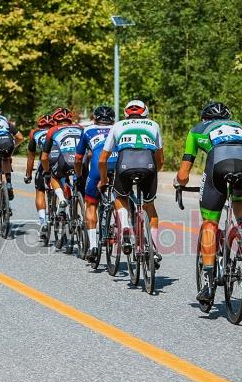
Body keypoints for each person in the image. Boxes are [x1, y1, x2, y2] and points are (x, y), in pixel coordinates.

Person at [175, 102, 242, 303]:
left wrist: (179, 182)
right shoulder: (239, 127)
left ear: (205, 119)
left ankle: (208, 283)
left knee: (210, 223)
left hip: (218, 165)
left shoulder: (196, 131)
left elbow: (184, 173)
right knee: (238, 199)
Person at [98, 100, 163, 267]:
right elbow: (160, 158)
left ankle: (125, 225)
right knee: (150, 208)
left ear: (126, 114)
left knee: (120, 197)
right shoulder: (153, 125)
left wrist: (104, 180)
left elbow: (103, 159)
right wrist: (154, 172)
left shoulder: (118, 125)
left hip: (125, 164)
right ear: (145, 113)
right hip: (148, 164)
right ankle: (154, 250)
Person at [75, 105, 117, 262]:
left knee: (91, 204)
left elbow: (79, 158)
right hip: (119, 164)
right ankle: (118, 224)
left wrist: (79, 175)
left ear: (94, 118)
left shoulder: (88, 130)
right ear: (113, 119)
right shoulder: (118, 127)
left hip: (99, 167)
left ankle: (93, 246)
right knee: (121, 200)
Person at [41, 107, 83, 213]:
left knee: (53, 176)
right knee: (81, 181)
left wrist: (46, 172)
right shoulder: (81, 128)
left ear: (55, 121)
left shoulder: (53, 130)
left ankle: (62, 199)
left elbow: (44, 157)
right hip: (81, 160)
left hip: (65, 160)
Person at [25, 114, 54, 240]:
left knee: (40, 191)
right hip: (60, 160)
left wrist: (28, 174)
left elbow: (31, 156)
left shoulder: (35, 133)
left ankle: (43, 221)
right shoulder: (57, 131)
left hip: (44, 162)